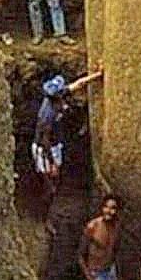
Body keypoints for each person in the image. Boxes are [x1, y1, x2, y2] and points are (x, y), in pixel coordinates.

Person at [32, 69, 103, 234]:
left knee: (55, 182)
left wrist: (97, 75)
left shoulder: (59, 96)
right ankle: (45, 216)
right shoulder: (47, 115)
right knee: (50, 185)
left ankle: (49, 199)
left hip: (56, 144)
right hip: (44, 150)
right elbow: (44, 140)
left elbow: (79, 84)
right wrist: (52, 164)